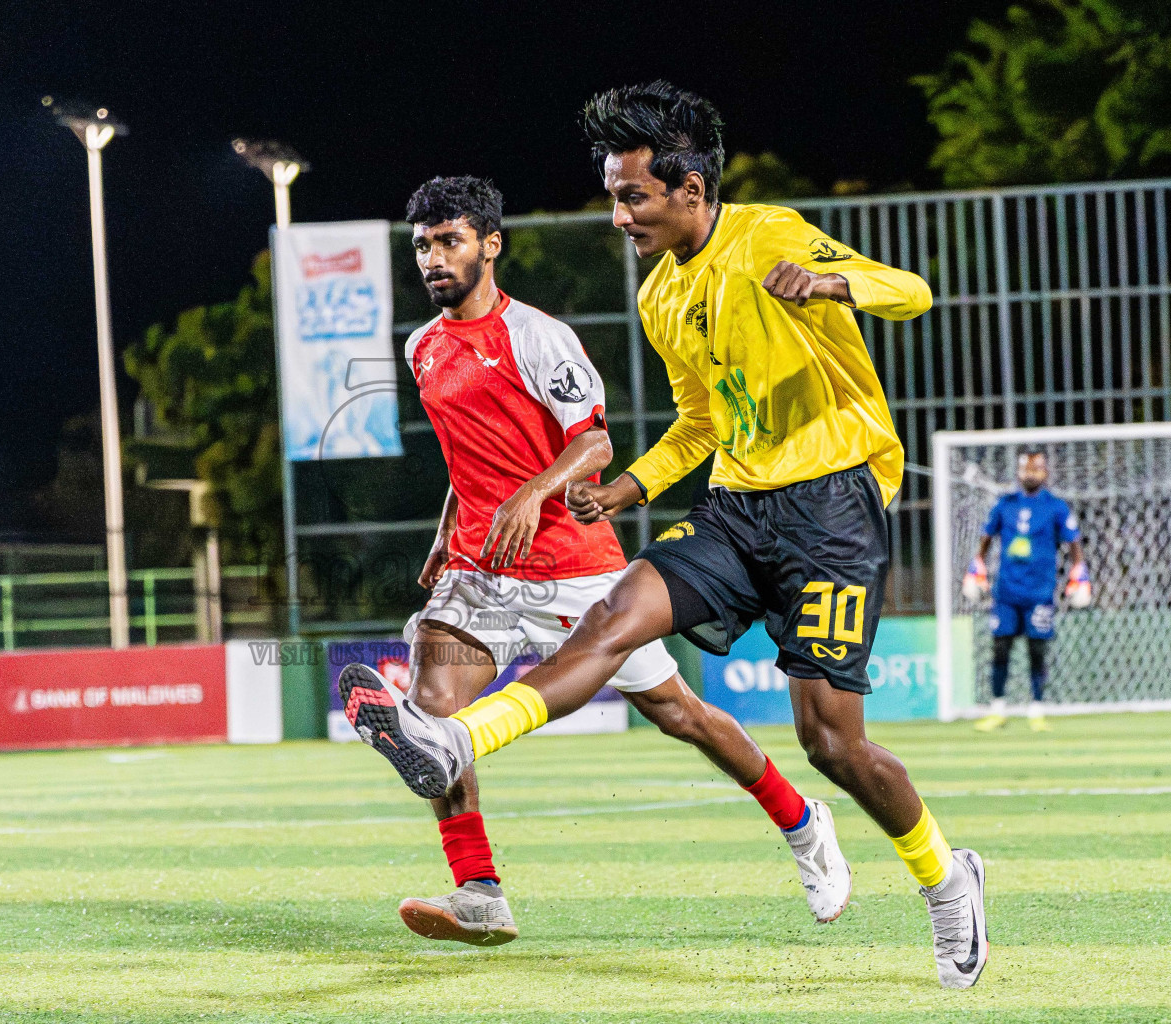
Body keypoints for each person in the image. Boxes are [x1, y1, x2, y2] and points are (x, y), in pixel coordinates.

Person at [341, 82, 989, 989]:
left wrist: (833, 281)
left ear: (689, 189)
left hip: (834, 506)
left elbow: (911, 291)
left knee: (832, 744)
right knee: (614, 618)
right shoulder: (660, 295)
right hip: (736, 504)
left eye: (632, 196)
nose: (618, 216)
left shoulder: (767, 234)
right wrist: (628, 489)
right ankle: (454, 749)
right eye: (613, 195)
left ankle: (944, 876)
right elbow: (700, 422)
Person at [340, 175, 850, 949]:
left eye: (450, 241)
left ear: (490, 244)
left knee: (683, 716)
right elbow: (466, 455)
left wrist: (530, 495)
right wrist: (450, 528)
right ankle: (479, 890)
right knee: (432, 710)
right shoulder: (422, 347)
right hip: (479, 569)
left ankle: (803, 821)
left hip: (573, 567)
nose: (434, 259)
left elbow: (595, 443)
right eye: (422, 246)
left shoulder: (539, 337)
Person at [965, 451, 1087, 732]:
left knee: (1037, 649)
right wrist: (976, 567)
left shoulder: (1056, 507)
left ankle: (1037, 709)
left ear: (1046, 472)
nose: (1031, 473)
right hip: (1006, 591)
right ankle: (997, 709)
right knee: (1000, 648)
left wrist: (1079, 573)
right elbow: (985, 539)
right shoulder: (1004, 504)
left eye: (1037, 468)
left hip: (1040, 591)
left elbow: (1074, 544)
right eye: (1025, 468)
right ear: (1018, 472)